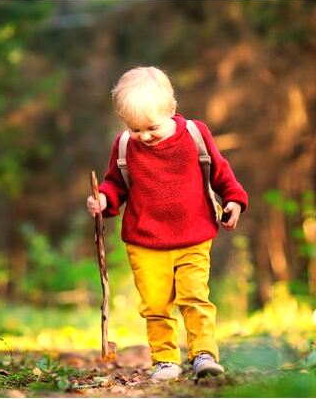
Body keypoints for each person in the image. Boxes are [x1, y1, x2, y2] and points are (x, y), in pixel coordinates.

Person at [86, 66, 248, 381]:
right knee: (156, 305)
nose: (144, 137)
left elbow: (220, 170)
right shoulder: (123, 146)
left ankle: (203, 354)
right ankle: (165, 360)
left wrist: (234, 199)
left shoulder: (194, 135)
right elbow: (114, 185)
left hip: (194, 236)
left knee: (195, 297)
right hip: (145, 241)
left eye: (152, 128)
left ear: (171, 110)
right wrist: (103, 200)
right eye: (135, 130)